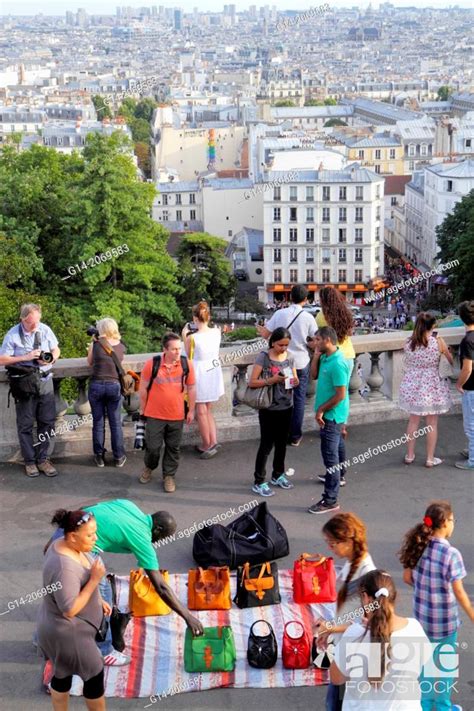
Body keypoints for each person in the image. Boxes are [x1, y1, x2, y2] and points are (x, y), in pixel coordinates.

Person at [43, 499, 204, 666]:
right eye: (162, 538)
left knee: (60, 590)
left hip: (67, 531)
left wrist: (58, 535)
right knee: (100, 597)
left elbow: (84, 510)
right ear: (158, 529)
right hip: (79, 546)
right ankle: (105, 651)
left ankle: (44, 637)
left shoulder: (129, 506)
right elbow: (161, 587)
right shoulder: (142, 537)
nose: (158, 542)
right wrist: (187, 617)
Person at [399, 501, 474, 711]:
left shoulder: (418, 546)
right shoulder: (451, 555)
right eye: (453, 520)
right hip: (444, 624)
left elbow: (406, 577)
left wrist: (424, 586)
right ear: (447, 523)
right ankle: (442, 707)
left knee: (425, 666)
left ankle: (422, 705)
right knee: (444, 668)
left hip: (421, 621)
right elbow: (459, 592)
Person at [38, 509, 109, 710]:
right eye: (89, 535)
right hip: (70, 634)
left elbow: (77, 585)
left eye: (95, 532)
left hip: (55, 626)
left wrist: (98, 599)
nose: (95, 538)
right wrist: (95, 580)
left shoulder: (61, 545)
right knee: (94, 677)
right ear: (72, 536)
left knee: (62, 673)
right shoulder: (65, 568)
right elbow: (69, 608)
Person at [330, 570, 430, 710]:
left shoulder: (354, 635)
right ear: (395, 596)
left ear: (365, 598)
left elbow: (336, 678)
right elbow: (422, 663)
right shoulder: (415, 629)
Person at [314, 513, 376, 711]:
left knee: (338, 703)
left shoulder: (366, 573)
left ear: (348, 541)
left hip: (354, 651)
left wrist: (331, 627)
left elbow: (363, 622)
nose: (329, 548)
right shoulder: (352, 562)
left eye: (332, 543)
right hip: (345, 644)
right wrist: (330, 630)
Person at [0, 303, 60, 478]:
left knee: (47, 422)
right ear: (23, 319)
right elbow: (2, 359)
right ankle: (30, 462)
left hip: (45, 381)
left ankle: (43, 459)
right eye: (31, 323)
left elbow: (56, 349)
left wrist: (50, 358)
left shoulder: (44, 329)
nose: (35, 326)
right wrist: (24, 357)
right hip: (24, 384)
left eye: (37, 322)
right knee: (25, 424)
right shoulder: (12, 335)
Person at [257, 284, 316, 447]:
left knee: (283, 398)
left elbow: (267, 335)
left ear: (290, 297)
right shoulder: (308, 317)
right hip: (301, 362)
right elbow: (314, 340)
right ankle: (295, 435)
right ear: (306, 299)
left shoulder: (279, 313)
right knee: (298, 399)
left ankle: (280, 433)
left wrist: (260, 330)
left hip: (285, 365)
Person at [138, 333, 196, 492]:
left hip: (177, 415)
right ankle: (149, 467)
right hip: (154, 414)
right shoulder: (152, 364)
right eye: (174, 349)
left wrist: (191, 410)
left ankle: (169, 476)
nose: (178, 352)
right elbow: (142, 387)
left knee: (173, 448)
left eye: (179, 348)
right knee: (153, 447)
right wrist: (143, 409)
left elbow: (191, 388)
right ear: (165, 349)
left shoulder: (186, 364)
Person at [248, 327, 299, 497]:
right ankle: (259, 480)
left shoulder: (290, 357)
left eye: (286, 345)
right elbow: (252, 382)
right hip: (269, 407)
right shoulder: (264, 357)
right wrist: (272, 380)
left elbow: (294, 377)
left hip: (286, 405)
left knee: (282, 444)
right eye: (280, 345)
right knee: (266, 445)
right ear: (273, 342)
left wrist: (294, 380)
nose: (283, 348)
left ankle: (278, 474)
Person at [398, 313, 453, 467]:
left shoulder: (409, 343)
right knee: (432, 423)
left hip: (413, 383)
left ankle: (409, 455)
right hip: (432, 385)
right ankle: (430, 458)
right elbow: (450, 360)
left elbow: (409, 360)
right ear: (432, 326)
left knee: (413, 421)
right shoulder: (438, 342)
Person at [308, 327, 350, 514]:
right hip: (334, 415)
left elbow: (340, 395)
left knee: (330, 457)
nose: (314, 342)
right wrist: (316, 356)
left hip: (332, 415)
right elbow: (314, 375)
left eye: (317, 339)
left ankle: (330, 500)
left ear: (327, 340)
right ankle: (341, 474)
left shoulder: (338, 364)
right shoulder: (326, 357)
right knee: (338, 445)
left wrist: (321, 410)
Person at [183, 302, 224, 459]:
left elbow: (188, 355)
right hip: (213, 369)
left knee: (200, 410)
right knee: (208, 408)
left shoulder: (193, 338)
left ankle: (207, 444)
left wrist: (184, 334)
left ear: (194, 318)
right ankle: (213, 440)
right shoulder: (217, 332)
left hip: (200, 371)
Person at [315, 286, 355, 437]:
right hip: (348, 355)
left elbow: (319, 337)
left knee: (330, 392)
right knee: (343, 392)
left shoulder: (321, 316)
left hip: (332, 357)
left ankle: (328, 421)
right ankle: (342, 425)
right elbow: (350, 332)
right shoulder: (346, 312)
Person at [86, 318, 126, 468]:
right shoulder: (121, 347)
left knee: (98, 422)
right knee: (115, 423)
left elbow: (89, 362)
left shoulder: (95, 345)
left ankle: (99, 457)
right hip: (114, 386)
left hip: (96, 385)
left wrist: (93, 342)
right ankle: (119, 457)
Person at [455, 300, 474, 470]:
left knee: (471, 426)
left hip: (472, 387)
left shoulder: (468, 341)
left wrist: (459, 384)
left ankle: (472, 460)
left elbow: (467, 368)